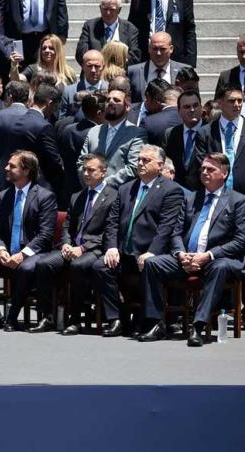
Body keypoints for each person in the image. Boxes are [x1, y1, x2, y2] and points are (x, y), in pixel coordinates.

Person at [143, 153, 245, 346]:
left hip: (216, 259)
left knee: (220, 267)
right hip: (186, 257)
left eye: (210, 169)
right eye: (203, 169)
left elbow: (241, 240)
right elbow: (175, 233)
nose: (204, 172)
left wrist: (208, 255)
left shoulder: (237, 201)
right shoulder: (191, 198)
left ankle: (198, 326)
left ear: (224, 173)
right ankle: (156, 323)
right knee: (152, 263)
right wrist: (181, 254)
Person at [93, 144, 184, 337]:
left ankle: (152, 322)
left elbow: (166, 227)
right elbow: (112, 222)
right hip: (124, 253)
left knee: (150, 265)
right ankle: (117, 319)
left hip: (147, 252)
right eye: (139, 159)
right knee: (100, 267)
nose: (140, 163)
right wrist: (111, 247)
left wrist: (153, 251)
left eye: (146, 160)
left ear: (160, 165)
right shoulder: (126, 188)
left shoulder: (171, 190)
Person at [0, 151, 57, 330]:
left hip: (34, 252)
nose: (6, 168)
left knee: (26, 268)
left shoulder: (45, 196)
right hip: (8, 250)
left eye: (12, 166)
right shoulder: (4, 196)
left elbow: (45, 235)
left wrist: (22, 255)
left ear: (26, 171)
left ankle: (12, 316)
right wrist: (0, 250)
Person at [35, 154, 118, 334]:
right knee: (43, 264)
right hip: (71, 247)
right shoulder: (77, 196)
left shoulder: (113, 196)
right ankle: (47, 315)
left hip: (94, 249)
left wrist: (83, 248)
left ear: (103, 172)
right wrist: (65, 244)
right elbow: (67, 225)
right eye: (84, 169)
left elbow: (110, 230)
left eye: (91, 170)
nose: (86, 173)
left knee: (78, 266)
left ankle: (76, 318)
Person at [0, 82, 63, 197]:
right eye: (55, 107)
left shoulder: (14, 121)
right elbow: (54, 161)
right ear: (49, 103)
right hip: (36, 188)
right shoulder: (44, 126)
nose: (54, 111)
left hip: (11, 183)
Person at [78, 88, 147, 187]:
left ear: (127, 107)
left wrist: (103, 184)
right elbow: (81, 162)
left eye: (116, 100)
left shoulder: (137, 133)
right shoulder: (94, 131)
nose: (111, 102)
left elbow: (133, 167)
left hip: (118, 195)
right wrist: (88, 181)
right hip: (91, 192)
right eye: (108, 100)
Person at [194, 85, 244, 194]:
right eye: (232, 101)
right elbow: (201, 163)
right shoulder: (205, 132)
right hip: (216, 193)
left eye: (240, 100)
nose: (237, 105)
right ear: (220, 103)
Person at [60, 91, 106, 204]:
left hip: (68, 188)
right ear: (99, 114)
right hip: (87, 190)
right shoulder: (97, 134)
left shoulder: (67, 129)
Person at [0, 0, 68, 67]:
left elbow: (61, 8)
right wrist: (0, 34)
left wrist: (62, 34)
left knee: (44, 69)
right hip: (17, 36)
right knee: (18, 67)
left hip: (45, 36)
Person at [128, 0, 196, 68]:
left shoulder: (183, 1)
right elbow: (132, 27)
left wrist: (190, 63)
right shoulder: (138, 1)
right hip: (145, 59)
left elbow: (189, 30)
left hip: (174, 59)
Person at [126, 32, 190, 104]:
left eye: (162, 49)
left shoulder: (183, 70)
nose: (158, 53)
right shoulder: (133, 72)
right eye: (155, 49)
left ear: (171, 49)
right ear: (149, 49)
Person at [75, 0, 140, 66]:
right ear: (100, 8)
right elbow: (80, 53)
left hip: (120, 72)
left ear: (119, 10)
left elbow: (135, 57)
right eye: (105, 9)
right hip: (95, 72)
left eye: (112, 9)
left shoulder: (130, 29)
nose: (108, 13)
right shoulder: (90, 26)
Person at [162, 90, 203, 190]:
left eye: (195, 105)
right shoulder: (170, 134)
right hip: (177, 191)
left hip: (203, 191)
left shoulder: (212, 132)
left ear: (201, 108)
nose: (192, 110)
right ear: (179, 111)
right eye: (187, 107)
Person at [10, 34, 76, 89]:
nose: (47, 51)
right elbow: (15, 81)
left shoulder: (69, 73)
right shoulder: (34, 69)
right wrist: (14, 65)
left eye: (51, 48)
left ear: (58, 51)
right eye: (44, 48)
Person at [59, 50, 107, 119]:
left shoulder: (110, 90)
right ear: (83, 66)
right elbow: (62, 121)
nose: (93, 70)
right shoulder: (69, 92)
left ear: (103, 67)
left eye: (97, 66)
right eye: (89, 66)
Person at [214, 33, 245, 101]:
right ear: (237, 51)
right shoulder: (225, 77)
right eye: (241, 52)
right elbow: (217, 103)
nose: (244, 56)